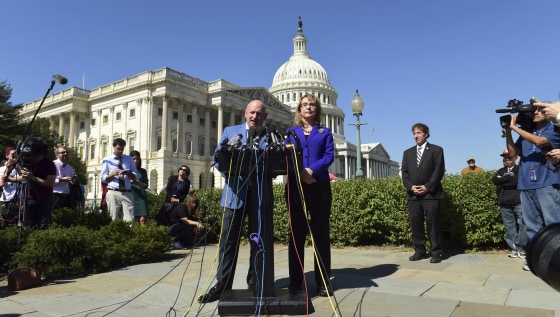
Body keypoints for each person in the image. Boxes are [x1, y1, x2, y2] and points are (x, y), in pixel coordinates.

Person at [198, 99, 267, 303]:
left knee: (257, 242)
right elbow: (218, 161)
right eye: (252, 112)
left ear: (265, 117)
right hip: (233, 196)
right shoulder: (230, 131)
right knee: (227, 244)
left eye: (259, 113)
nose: (255, 116)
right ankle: (222, 286)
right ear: (245, 113)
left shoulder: (268, 136)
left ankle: (254, 283)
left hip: (258, 198)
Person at [284, 94, 335, 297]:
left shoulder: (325, 132)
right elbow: (286, 156)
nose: (308, 108)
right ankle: (295, 281)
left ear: (317, 109)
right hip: (296, 186)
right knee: (296, 235)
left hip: (319, 185)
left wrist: (312, 171)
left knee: (321, 234)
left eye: (312, 105)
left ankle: (323, 282)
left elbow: (329, 156)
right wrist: (300, 174)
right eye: (304, 105)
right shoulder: (290, 133)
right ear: (299, 109)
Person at [504, 107, 560, 271]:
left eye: (539, 111)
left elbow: (540, 142)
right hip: (526, 184)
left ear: (547, 113)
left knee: (553, 224)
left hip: (547, 182)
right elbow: (513, 153)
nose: (536, 113)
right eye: (533, 111)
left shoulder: (553, 128)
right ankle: (536, 259)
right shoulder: (527, 132)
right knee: (531, 226)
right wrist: (508, 132)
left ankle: (556, 260)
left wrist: (515, 127)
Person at [401, 123, 445, 263]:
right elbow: (405, 173)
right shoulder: (407, 153)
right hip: (413, 195)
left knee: (433, 224)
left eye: (419, 133)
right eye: (414, 133)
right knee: (416, 223)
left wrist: (427, 186)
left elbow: (438, 171)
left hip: (431, 195)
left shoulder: (436, 150)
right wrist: (410, 187)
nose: (416, 136)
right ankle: (419, 251)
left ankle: (436, 252)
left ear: (426, 134)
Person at [491, 150, 528, 258]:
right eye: (505, 158)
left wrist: (503, 179)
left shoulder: (520, 169)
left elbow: (517, 181)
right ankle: (513, 248)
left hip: (518, 201)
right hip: (505, 202)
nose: (506, 159)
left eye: (509, 157)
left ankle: (521, 247)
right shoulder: (501, 170)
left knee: (523, 224)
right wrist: (508, 178)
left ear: (515, 158)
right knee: (509, 226)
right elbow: (495, 181)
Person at [18, 137, 56, 229]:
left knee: (43, 225)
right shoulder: (27, 162)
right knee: (29, 225)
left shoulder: (49, 164)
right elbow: (24, 178)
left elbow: (51, 183)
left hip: (45, 198)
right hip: (30, 198)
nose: (34, 158)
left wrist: (33, 178)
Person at [100, 138, 137, 225]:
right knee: (113, 218)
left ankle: (128, 236)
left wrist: (128, 173)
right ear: (114, 147)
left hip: (127, 192)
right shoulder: (107, 160)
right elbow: (103, 177)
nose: (120, 151)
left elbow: (135, 175)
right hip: (113, 191)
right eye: (118, 149)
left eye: (122, 149)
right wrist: (112, 174)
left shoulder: (129, 159)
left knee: (130, 220)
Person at [0, 147, 20, 225]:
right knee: (4, 221)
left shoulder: (20, 168)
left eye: (16, 154)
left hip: (18, 199)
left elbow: (24, 179)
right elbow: (1, 184)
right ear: (7, 156)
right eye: (13, 154)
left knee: (16, 222)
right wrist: (8, 168)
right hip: (6, 200)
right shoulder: (1, 169)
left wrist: (17, 167)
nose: (15, 156)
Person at [130, 150, 149, 225]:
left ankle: (143, 235)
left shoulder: (143, 171)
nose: (135, 161)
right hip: (131, 196)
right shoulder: (127, 171)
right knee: (131, 220)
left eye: (137, 159)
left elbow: (146, 185)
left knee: (143, 220)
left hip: (141, 197)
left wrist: (138, 183)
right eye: (134, 159)